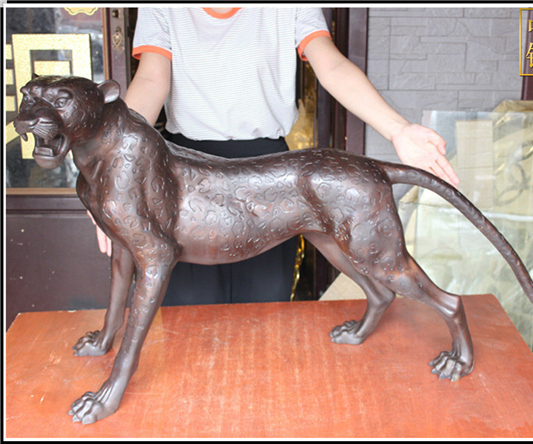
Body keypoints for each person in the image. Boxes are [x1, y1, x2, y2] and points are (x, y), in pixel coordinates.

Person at [91, 7, 459, 306]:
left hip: (267, 173)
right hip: (185, 176)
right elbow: (151, 80)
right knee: (189, 309)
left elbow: (330, 66)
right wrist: (115, 170)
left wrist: (398, 130)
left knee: (265, 304)